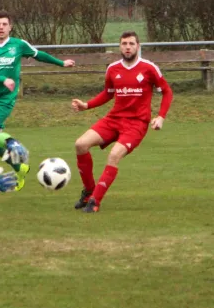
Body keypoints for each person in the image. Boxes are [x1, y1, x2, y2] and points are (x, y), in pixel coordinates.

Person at [0, 9, 75, 190]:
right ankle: (21, 168)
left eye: (4, 24)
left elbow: (38, 55)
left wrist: (61, 63)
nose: (1, 27)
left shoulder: (18, 45)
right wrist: (3, 79)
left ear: (10, 27)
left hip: (3, 101)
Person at [71, 31, 173, 213]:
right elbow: (108, 93)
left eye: (131, 44)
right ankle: (88, 192)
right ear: (120, 46)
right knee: (80, 144)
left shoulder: (149, 68)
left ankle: (95, 201)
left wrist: (161, 117)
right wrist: (87, 105)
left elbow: (167, 91)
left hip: (136, 124)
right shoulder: (112, 69)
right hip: (114, 119)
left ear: (138, 47)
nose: (128, 47)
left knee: (114, 155)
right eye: (124, 43)